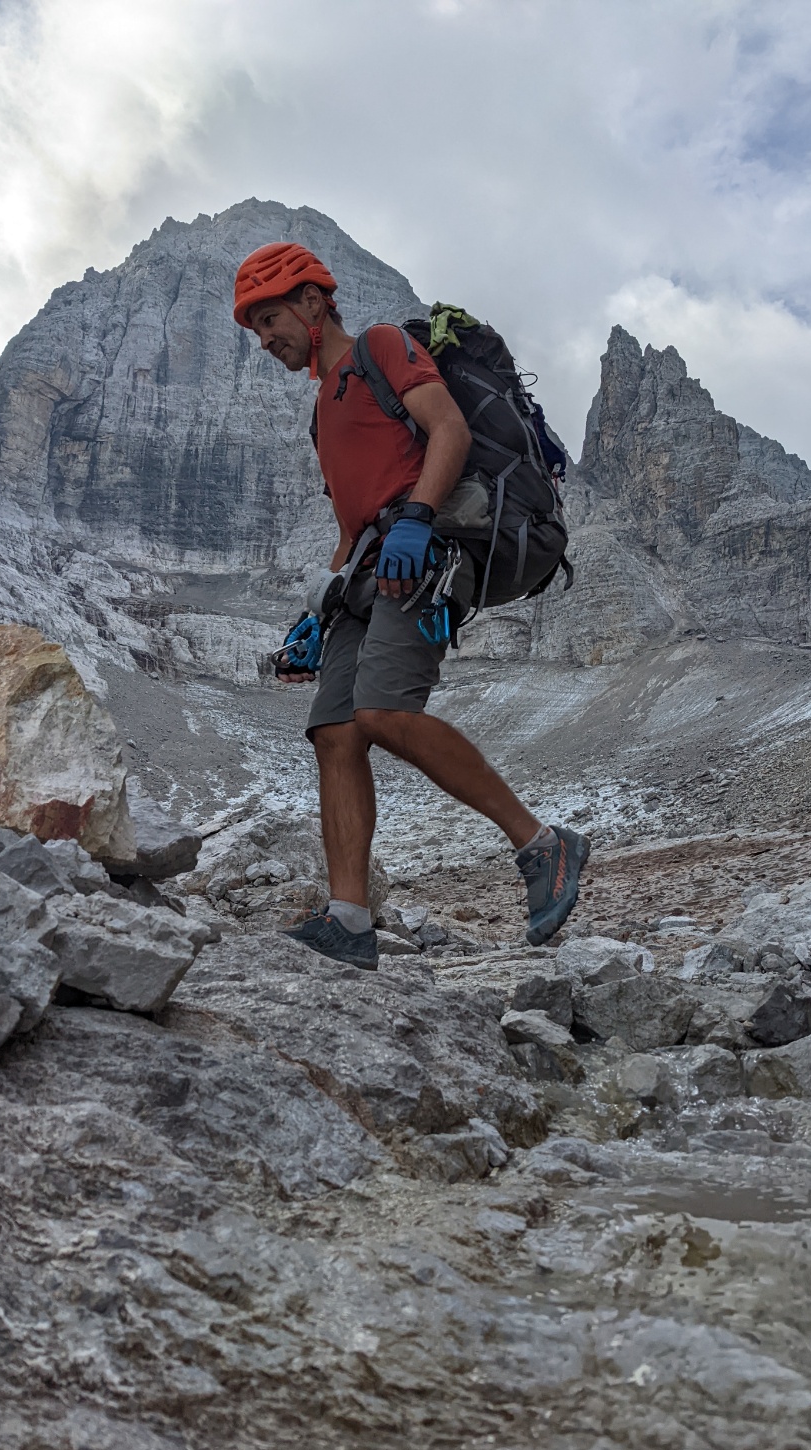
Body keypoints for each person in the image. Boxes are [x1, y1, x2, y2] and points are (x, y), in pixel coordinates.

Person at [233, 242, 589, 970]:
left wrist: (421, 517)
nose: (265, 339)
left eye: (270, 319)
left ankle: (543, 846)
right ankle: (349, 921)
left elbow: (449, 430)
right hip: (367, 568)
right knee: (334, 732)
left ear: (311, 301)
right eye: (256, 330)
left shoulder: (383, 348)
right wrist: (315, 615)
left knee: (383, 713)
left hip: (426, 556)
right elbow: (348, 524)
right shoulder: (321, 411)